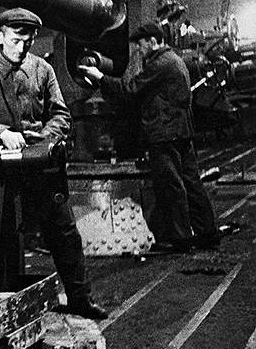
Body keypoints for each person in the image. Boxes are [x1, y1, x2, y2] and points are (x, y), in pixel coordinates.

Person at [0, 7, 108, 320]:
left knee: (64, 234)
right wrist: (3, 133)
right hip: (3, 170)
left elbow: (61, 114)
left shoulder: (43, 69)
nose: (21, 48)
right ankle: (4, 310)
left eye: (27, 42)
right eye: (15, 41)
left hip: (42, 165)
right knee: (2, 240)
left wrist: (43, 137)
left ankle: (80, 299)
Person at [78, 21, 220, 253]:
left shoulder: (160, 64)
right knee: (191, 183)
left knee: (172, 186)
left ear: (153, 41)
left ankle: (181, 240)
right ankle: (207, 233)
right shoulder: (174, 59)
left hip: (165, 134)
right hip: (181, 131)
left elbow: (130, 89)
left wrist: (100, 77)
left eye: (141, 45)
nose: (139, 50)